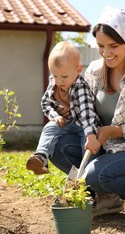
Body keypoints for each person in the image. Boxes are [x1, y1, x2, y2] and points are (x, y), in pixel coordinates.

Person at [49, 6, 125, 221]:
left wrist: (114, 131)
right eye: (101, 46)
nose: (106, 53)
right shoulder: (94, 71)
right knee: (57, 146)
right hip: (104, 149)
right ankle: (107, 198)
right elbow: (87, 110)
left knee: (95, 174)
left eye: (114, 46)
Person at [26, 41, 101, 175]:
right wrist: (55, 116)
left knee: (88, 148)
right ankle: (41, 157)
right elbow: (45, 103)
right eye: (55, 76)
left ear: (78, 70)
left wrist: (90, 134)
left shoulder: (80, 86)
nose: (59, 81)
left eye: (64, 76)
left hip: (84, 126)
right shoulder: (54, 83)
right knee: (50, 127)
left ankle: (87, 175)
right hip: (66, 123)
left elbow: (86, 112)